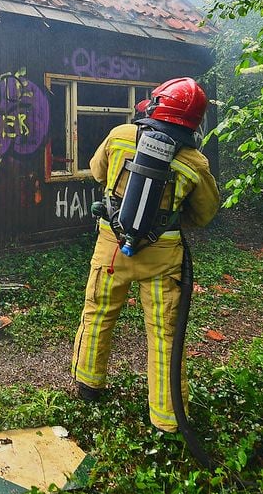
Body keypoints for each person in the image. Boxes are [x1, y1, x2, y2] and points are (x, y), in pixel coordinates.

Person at [71, 77, 220, 433]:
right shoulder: (195, 162)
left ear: (156, 105)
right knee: (165, 333)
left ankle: (88, 385)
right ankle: (167, 419)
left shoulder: (121, 135)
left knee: (97, 315)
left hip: (112, 251)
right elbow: (205, 215)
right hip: (163, 259)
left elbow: (96, 171)